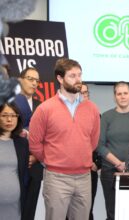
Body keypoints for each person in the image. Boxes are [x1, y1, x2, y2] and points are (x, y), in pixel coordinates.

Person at [29, 58, 100, 220]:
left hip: (84, 177)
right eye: (72, 76)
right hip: (56, 178)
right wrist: (51, 160)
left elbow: (93, 141)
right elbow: (35, 143)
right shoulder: (45, 109)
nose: (78, 80)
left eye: (79, 75)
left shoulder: (92, 109)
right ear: (60, 79)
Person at [97, 81, 129, 220]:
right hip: (110, 172)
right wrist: (118, 163)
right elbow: (99, 145)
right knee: (113, 212)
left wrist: (128, 164)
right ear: (114, 97)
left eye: (125, 93)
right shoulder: (106, 116)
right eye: (119, 94)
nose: (123, 96)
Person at [13, 67, 43, 220]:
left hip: (35, 165)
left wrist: (37, 157)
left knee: (30, 210)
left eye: (37, 80)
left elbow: (48, 136)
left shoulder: (43, 106)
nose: (34, 83)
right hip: (14, 164)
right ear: (21, 80)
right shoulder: (9, 104)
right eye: (30, 79)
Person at [0, 102, 29, 220]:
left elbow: (24, 174)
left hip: (15, 206)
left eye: (13, 115)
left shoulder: (22, 143)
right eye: (4, 115)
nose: (9, 119)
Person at [80, 83, 102, 220]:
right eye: (80, 92)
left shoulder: (95, 114)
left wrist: (97, 163)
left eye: (85, 93)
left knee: (87, 210)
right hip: (69, 171)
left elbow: (101, 141)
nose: (83, 95)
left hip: (89, 170)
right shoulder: (67, 113)